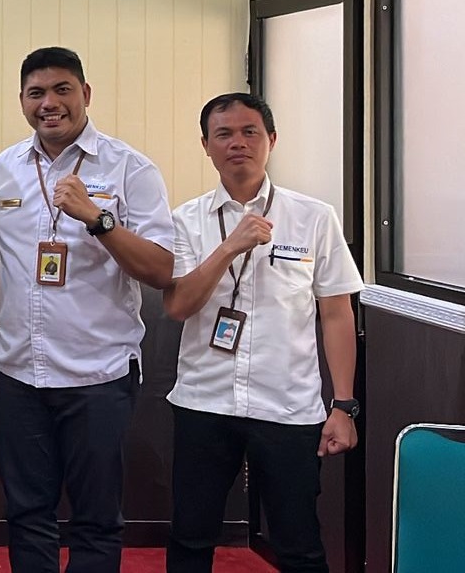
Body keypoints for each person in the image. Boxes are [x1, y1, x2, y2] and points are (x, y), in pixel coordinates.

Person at [0, 46, 175, 573]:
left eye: (62, 89)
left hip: (98, 375)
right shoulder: (5, 168)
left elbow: (161, 269)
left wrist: (97, 219)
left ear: (85, 93)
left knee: (96, 518)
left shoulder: (130, 167)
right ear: (22, 101)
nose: (49, 103)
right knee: (26, 512)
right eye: (36, 93)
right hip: (19, 372)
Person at [162, 93, 362, 573]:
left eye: (249, 132)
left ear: (271, 139)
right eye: (224, 134)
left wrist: (343, 406)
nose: (238, 143)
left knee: (300, 545)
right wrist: (229, 247)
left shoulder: (314, 216)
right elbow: (179, 306)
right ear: (206, 145)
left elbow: (337, 314)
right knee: (190, 538)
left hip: (287, 405)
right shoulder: (185, 221)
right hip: (204, 401)